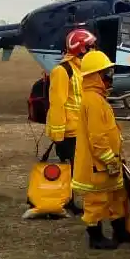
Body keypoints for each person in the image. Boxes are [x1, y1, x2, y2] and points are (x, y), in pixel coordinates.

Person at [72, 50, 130, 250]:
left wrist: (116, 158)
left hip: (109, 164)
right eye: (106, 73)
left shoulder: (98, 98)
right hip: (98, 166)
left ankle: (121, 232)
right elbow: (97, 137)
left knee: (118, 197)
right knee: (96, 202)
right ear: (95, 76)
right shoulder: (93, 101)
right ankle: (95, 237)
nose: (110, 77)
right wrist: (108, 159)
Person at [45, 28, 97, 166]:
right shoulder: (62, 71)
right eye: (91, 47)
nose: (94, 51)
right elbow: (57, 104)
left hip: (82, 130)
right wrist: (58, 137)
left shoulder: (81, 69)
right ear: (82, 49)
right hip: (69, 135)